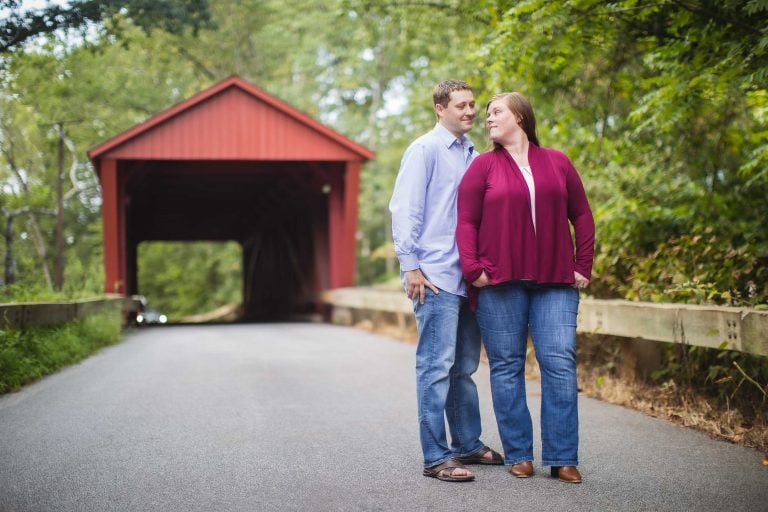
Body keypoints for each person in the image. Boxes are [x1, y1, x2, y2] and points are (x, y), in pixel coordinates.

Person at [456, 92, 595, 484]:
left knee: (559, 363)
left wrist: (582, 264)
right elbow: (465, 222)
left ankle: (563, 456)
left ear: (520, 116)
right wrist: (473, 270)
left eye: (495, 111)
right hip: (499, 282)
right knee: (506, 366)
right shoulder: (483, 167)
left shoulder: (558, 161)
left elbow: (581, 215)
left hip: (555, 281)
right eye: (486, 114)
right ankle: (519, 453)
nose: (487, 118)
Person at [389, 80, 502, 482]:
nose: (470, 112)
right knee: (435, 368)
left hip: (468, 277)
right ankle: (436, 456)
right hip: (435, 277)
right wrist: (411, 266)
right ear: (440, 109)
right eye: (461, 106)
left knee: (464, 367)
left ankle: (468, 444)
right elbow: (405, 209)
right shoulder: (425, 149)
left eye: (473, 105)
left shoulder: (475, 154)